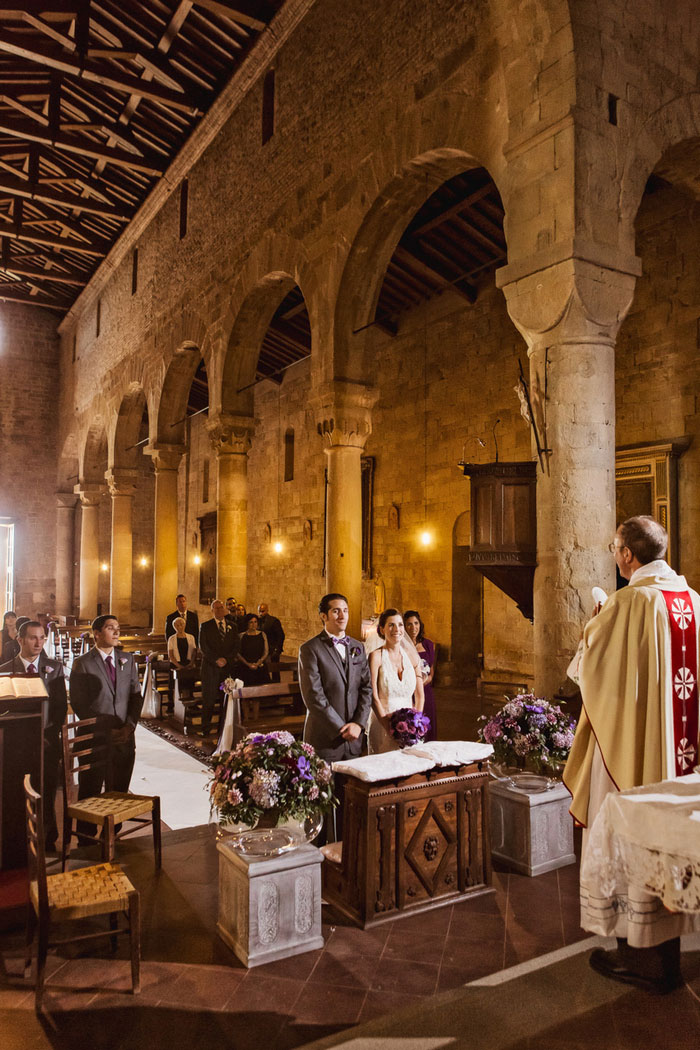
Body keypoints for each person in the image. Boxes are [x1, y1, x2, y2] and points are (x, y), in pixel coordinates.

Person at [564, 515, 700, 993]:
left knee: (628, 838)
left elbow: (588, 671)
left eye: (614, 548)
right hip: (682, 755)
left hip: (634, 751)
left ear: (627, 555)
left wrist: (597, 620)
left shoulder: (628, 602)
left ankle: (643, 958)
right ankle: (674, 943)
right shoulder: (693, 602)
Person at [0, 619, 67, 850]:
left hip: (46, 742)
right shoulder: (5, 670)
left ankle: (48, 837)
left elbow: (60, 708)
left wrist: (50, 733)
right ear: (20, 640)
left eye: (42, 638)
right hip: (15, 745)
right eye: (32, 638)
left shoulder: (54, 668)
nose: (38, 643)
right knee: (15, 791)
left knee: (46, 791)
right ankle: (19, 838)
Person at [69, 614, 144, 809]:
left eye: (118, 627)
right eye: (111, 628)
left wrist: (129, 726)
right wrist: (103, 729)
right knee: (90, 792)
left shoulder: (127, 659)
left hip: (124, 737)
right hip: (94, 739)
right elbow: (79, 704)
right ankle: (87, 838)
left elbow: (136, 696)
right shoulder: (83, 663)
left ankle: (114, 834)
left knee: (119, 792)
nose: (117, 631)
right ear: (96, 634)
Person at [298, 592, 372, 763]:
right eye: (336, 611)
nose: (342, 616)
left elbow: (366, 688)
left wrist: (358, 724)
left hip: (355, 739)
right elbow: (314, 696)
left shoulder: (357, 647)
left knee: (352, 789)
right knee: (326, 789)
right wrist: (341, 728)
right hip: (325, 738)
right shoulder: (310, 649)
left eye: (345, 610)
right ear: (324, 616)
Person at [367, 609, 425, 754]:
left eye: (400, 625)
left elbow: (420, 695)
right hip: (383, 724)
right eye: (391, 625)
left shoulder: (412, 657)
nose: (397, 629)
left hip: (409, 728)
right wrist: (390, 728)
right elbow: (373, 697)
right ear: (382, 629)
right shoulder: (376, 656)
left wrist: (415, 725)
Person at [199, 599, 239, 739]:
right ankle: (205, 728)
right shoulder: (205, 626)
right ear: (212, 610)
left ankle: (223, 728)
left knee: (225, 699)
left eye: (221, 608)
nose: (219, 610)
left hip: (227, 668)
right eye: (216, 608)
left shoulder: (232, 626)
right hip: (210, 668)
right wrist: (217, 660)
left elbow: (236, 646)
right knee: (208, 699)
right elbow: (204, 647)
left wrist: (226, 659)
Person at [403, 610, 438, 741]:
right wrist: (415, 684)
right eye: (409, 624)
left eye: (416, 623)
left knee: (428, 727)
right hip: (410, 693)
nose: (413, 627)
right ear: (404, 626)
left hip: (426, 691)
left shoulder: (428, 644)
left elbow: (432, 669)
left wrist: (426, 680)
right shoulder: (401, 646)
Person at [237, 613, 270, 686]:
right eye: (251, 622)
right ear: (247, 623)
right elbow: (238, 653)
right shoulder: (241, 636)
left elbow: (266, 652)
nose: (253, 624)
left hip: (260, 666)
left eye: (255, 622)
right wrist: (248, 664)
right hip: (245, 667)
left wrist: (258, 663)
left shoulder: (262, 634)